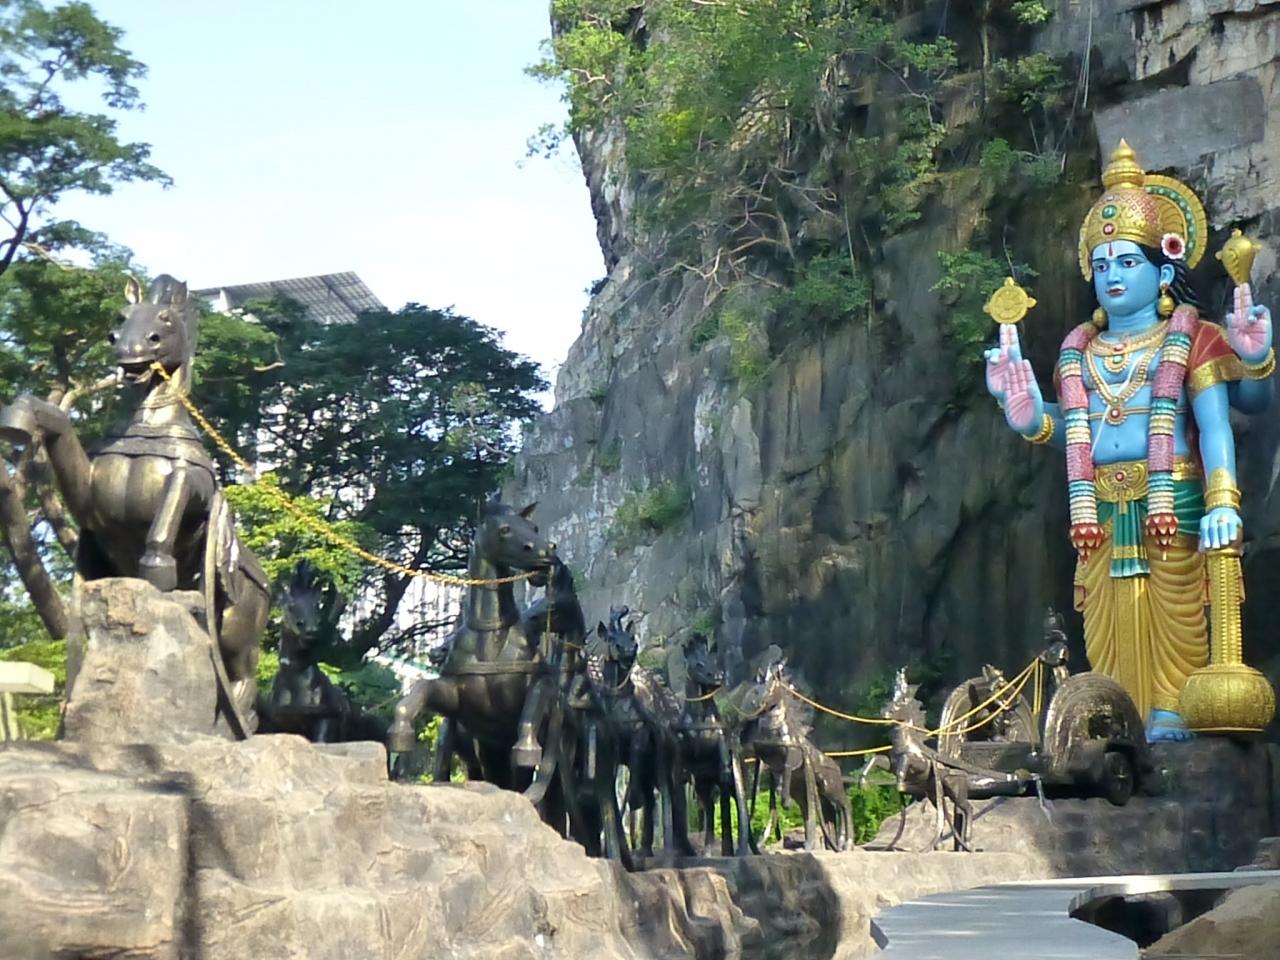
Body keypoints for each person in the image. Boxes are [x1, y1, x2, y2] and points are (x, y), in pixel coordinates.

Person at [984, 140, 1274, 741]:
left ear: (1163, 272)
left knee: (1175, 609)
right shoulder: (1079, 354)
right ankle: (1114, 713)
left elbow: (1217, 424)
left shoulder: (1191, 338)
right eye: (1103, 265)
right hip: (1098, 506)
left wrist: (1223, 502)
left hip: (1175, 498)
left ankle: (1171, 707)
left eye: (1126, 262)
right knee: (1105, 618)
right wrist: (1029, 416)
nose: (1112, 276)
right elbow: (1076, 432)